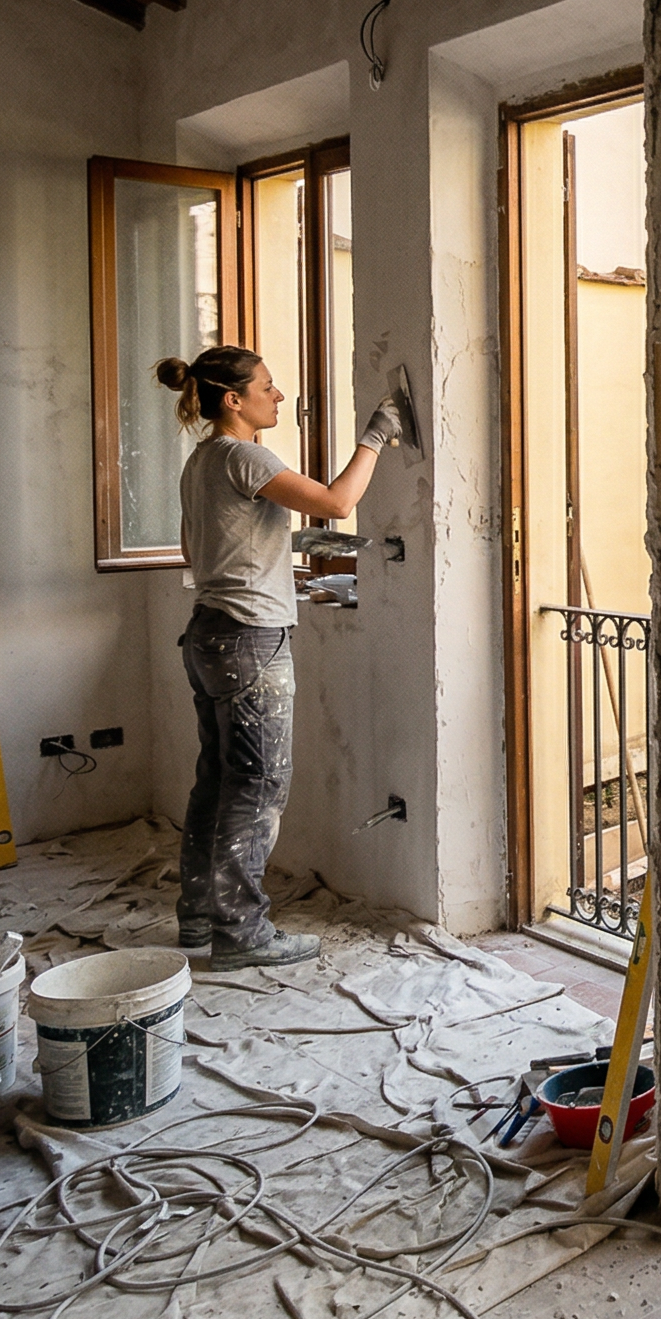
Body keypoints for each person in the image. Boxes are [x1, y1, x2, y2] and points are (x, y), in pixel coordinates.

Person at [155, 346, 406, 968]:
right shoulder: (244, 453)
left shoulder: (201, 461)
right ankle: (240, 933)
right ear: (233, 399)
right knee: (257, 788)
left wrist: (276, 543)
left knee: (217, 782)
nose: (280, 395)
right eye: (268, 386)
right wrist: (376, 435)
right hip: (249, 639)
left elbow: (200, 548)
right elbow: (338, 500)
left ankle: (198, 920)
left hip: (210, 633)